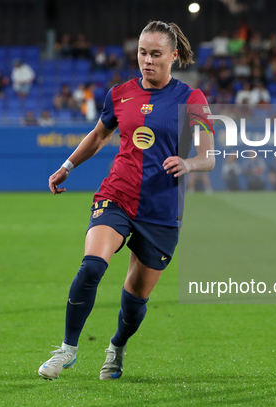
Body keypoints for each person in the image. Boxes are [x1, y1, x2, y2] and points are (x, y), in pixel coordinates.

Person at [38, 20, 215, 381]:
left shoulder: (192, 99)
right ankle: (67, 350)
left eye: (155, 54)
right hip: (117, 195)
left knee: (134, 301)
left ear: (173, 55)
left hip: (162, 209)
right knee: (91, 267)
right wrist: (67, 165)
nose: (146, 61)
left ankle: (116, 347)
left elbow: (208, 156)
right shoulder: (120, 94)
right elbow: (98, 135)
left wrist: (189, 162)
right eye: (141, 53)